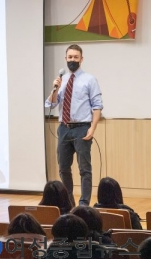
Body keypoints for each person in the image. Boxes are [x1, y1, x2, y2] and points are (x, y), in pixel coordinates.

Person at [44, 44, 103, 206]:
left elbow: (97, 106)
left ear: (81, 59)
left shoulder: (89, 79)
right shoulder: (61, 81)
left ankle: (84, 204)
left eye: (76, 57)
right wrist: (55, 88)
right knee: (63, 168)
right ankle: (69, 202)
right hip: (64, 128)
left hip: (82, 128)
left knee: (84, 169)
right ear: (65, 59)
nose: (72, 60)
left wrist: (92, 128)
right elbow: (50, 105)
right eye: (70, 57)